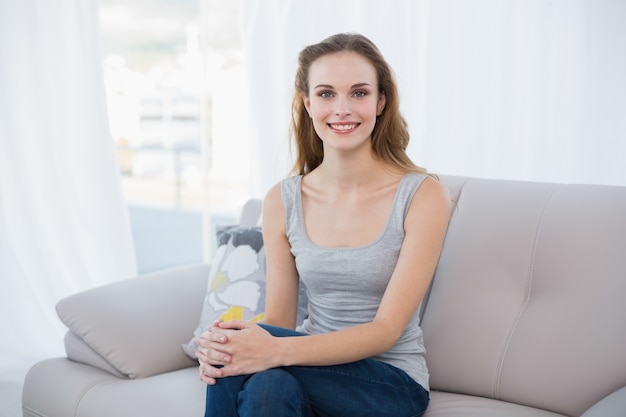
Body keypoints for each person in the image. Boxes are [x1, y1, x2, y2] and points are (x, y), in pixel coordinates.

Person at [196, 32, 451, 417]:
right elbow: (281, 319)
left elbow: (387, 329)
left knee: (242, 355)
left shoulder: (423, 195)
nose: (343, 108)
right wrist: (222, 344)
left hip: (388, 382)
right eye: (327, 93)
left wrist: (268, 349)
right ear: (307, 103)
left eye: (360, 93)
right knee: (264, 383)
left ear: (381, 101)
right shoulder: (282, 200)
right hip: (306, 367)